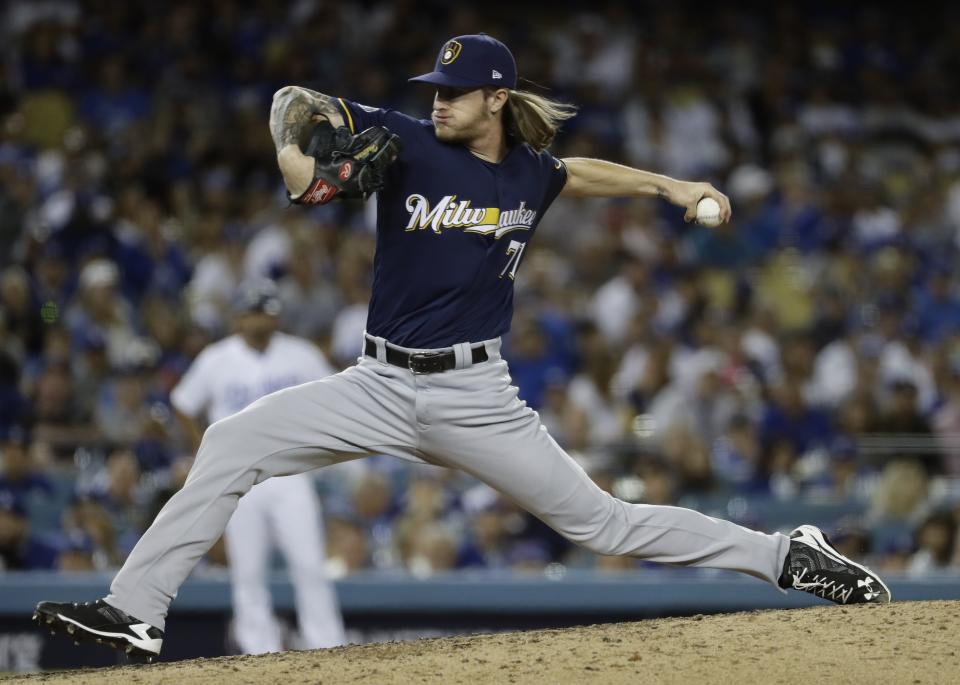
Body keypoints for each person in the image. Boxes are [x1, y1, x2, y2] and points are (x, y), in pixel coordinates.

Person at [35, 34, 889, 661]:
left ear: (495, 100)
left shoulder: (529, 171)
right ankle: (136, 609)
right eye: (433, 89)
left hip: (476, 396)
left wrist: (667, 183)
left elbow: (576, 171)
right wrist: (297, 143)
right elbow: (295, 124)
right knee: (231, 441)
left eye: (453, 91)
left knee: (603, 520)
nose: (437, 100)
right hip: (375, 380)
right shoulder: (405, 141)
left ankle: (788, 555)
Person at [169, 279, 344, 653]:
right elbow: (183, 403)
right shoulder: (216, 358)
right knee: (248, 572)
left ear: (276, 316)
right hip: (240, 479)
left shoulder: (300, 354)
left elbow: (336, 396)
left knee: (310, 564)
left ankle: (327, 645)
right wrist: (204, 450)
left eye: (265, 311)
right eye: (252, 312)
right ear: (238, 318)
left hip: (290, 473)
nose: (259, 320)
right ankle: (257, 651)